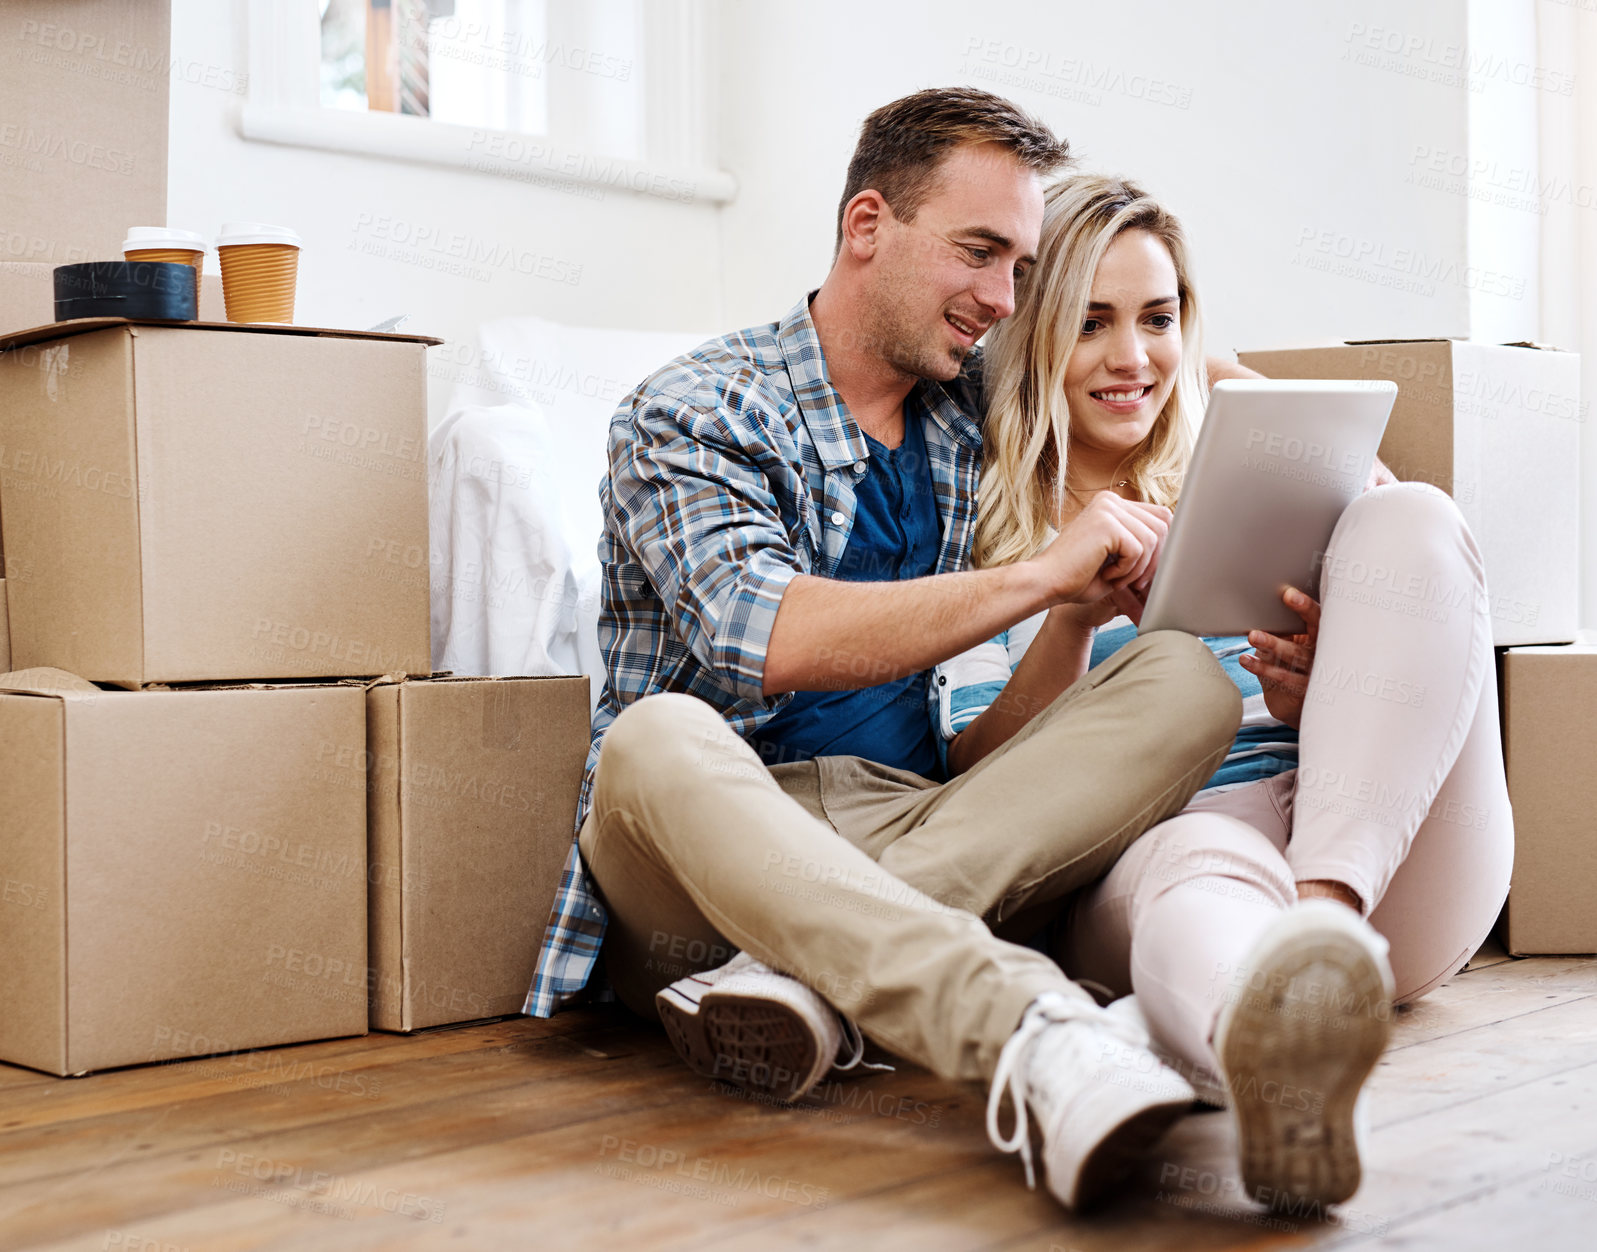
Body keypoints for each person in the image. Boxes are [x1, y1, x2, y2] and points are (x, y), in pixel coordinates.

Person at [524, 89, 1254, 1211]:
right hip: (711, 842)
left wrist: (1075, 611)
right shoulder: (693, 410)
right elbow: (757, 631)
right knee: (659, 735)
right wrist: (1037, 576)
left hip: (923, 820)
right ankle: (1032, 1027)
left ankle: (795, 984)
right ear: (867, 225)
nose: (1002, 300)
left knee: (1182, 677)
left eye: (1019, 266)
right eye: (978, 254)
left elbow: (1134, 356)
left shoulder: (970, 410)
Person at [937, 173, 1514, 1208]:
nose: (1131, 357)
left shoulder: (1235, 463)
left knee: (1413, 516)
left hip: (1371, 861)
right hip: (1180, 861)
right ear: (1029, 337)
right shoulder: (973, 532)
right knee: (1192, 857)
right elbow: (971, 784)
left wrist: (1328, 687)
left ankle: (1321, 932)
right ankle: (1281, 1065)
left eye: (1156, 318)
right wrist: (1069, 614)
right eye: (1089, 322)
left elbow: (1408, 572)